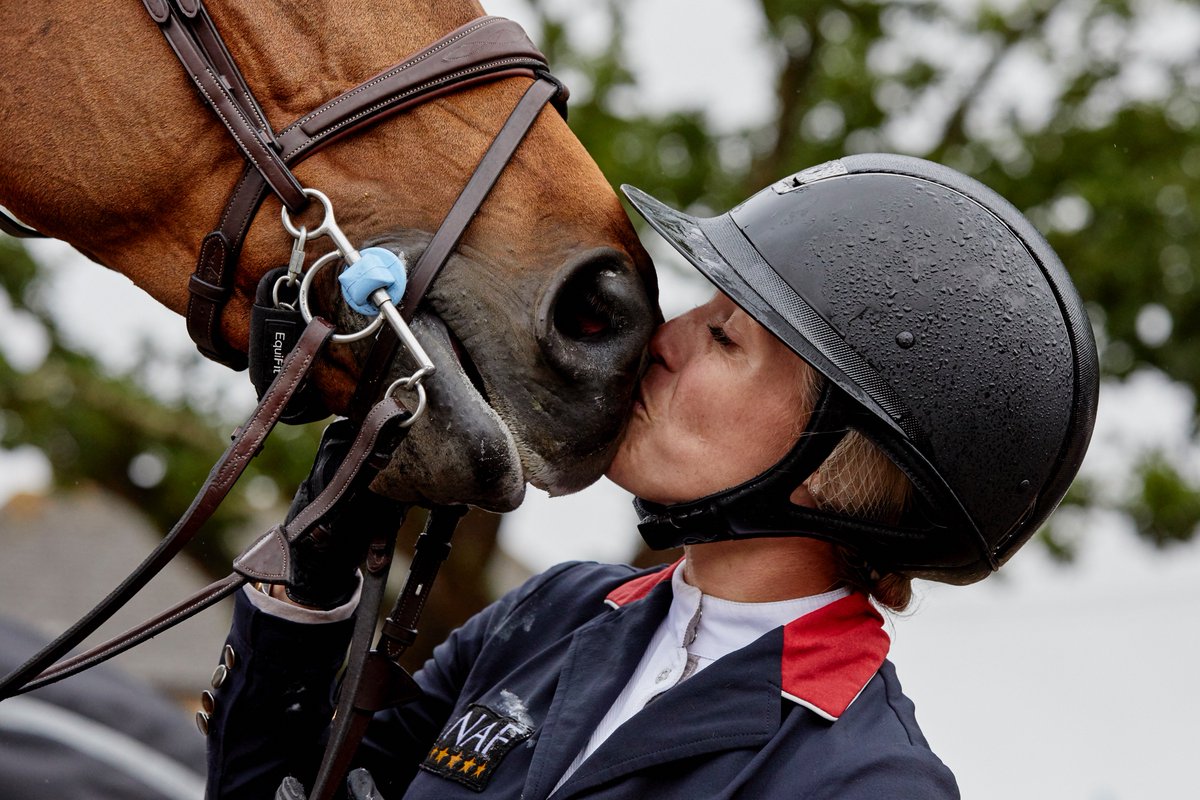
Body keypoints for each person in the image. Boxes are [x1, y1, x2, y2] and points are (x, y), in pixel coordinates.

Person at [202, 153, 1098, 799]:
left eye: (725, 337)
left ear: (838, 465)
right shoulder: (551, 615)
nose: (662, 341)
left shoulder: (865, 783)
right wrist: (321, 563)